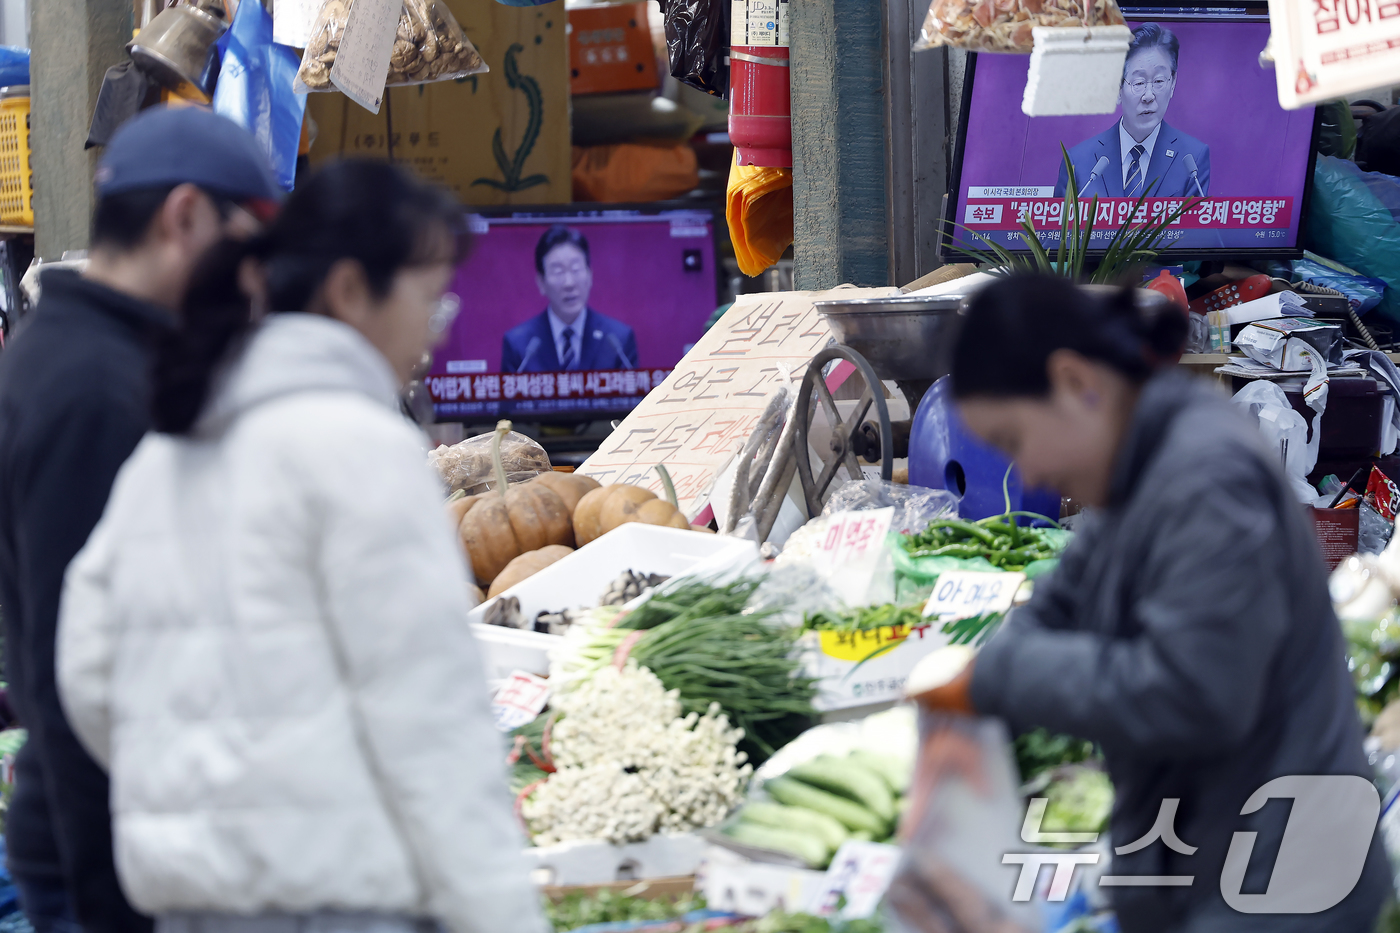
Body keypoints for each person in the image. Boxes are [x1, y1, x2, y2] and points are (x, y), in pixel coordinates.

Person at [55, 159, 547, 933]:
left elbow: (86, 665)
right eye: (429, 299)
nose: (433, 329)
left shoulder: (168, 452)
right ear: (350, 290)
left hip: (190, 904)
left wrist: (195, 788)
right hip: (342, 900)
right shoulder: (360, 447)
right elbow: (428, 718)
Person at [915, 274, 1389, 932]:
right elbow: (1055, 606)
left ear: (1075, 381)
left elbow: (1193, 692)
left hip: (1278, 886)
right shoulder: (1132, 468)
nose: (1029, 473)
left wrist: (998, 678)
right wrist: (978, 684)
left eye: (1016, 440)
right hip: (1207, 858)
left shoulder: (1206, 477)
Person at [0, 106, 279, 933]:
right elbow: (74, 668)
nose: (259, 275)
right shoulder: (96, 391)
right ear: (186, 215)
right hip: (110, 853)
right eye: (253, 238)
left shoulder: (80, 350)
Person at [1055, 24, 1210, 199]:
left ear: (1172, 83)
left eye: (1159, 81)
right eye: (1138, 83)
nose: (1149, 96)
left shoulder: (1192, 160)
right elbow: (1059, 226)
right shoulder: (1078, 163)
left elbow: (1197, 225)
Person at [501, 225, 638, 373]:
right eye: (558, 272)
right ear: (541, 282)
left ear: (590, 276)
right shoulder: (519, 346)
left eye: (576, 269)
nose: (569, 283)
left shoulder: (618, 340)